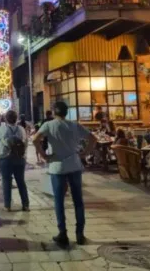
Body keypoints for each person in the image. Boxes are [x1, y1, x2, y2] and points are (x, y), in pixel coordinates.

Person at [32, 101, 97, 247]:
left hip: (57, 166)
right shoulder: (74, 125)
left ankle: (63, 233)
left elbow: (35, 139)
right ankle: (80, 234)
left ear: (54, 112)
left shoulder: (49, 125)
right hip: (74, 165)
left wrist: (44, 155)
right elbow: (93, 139)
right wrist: (85, 153)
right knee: (78, 201)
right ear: (66, 112)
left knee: (59, 201)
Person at [0, 110, 30, 212]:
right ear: (16, 118)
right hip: (19, 159)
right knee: (21, 181)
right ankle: (25, 205)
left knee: (6, 181)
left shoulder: (2, 129)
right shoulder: (21, 129)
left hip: (5, 159)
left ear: (6, 119)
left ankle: (7, 205)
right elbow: (26, 142)